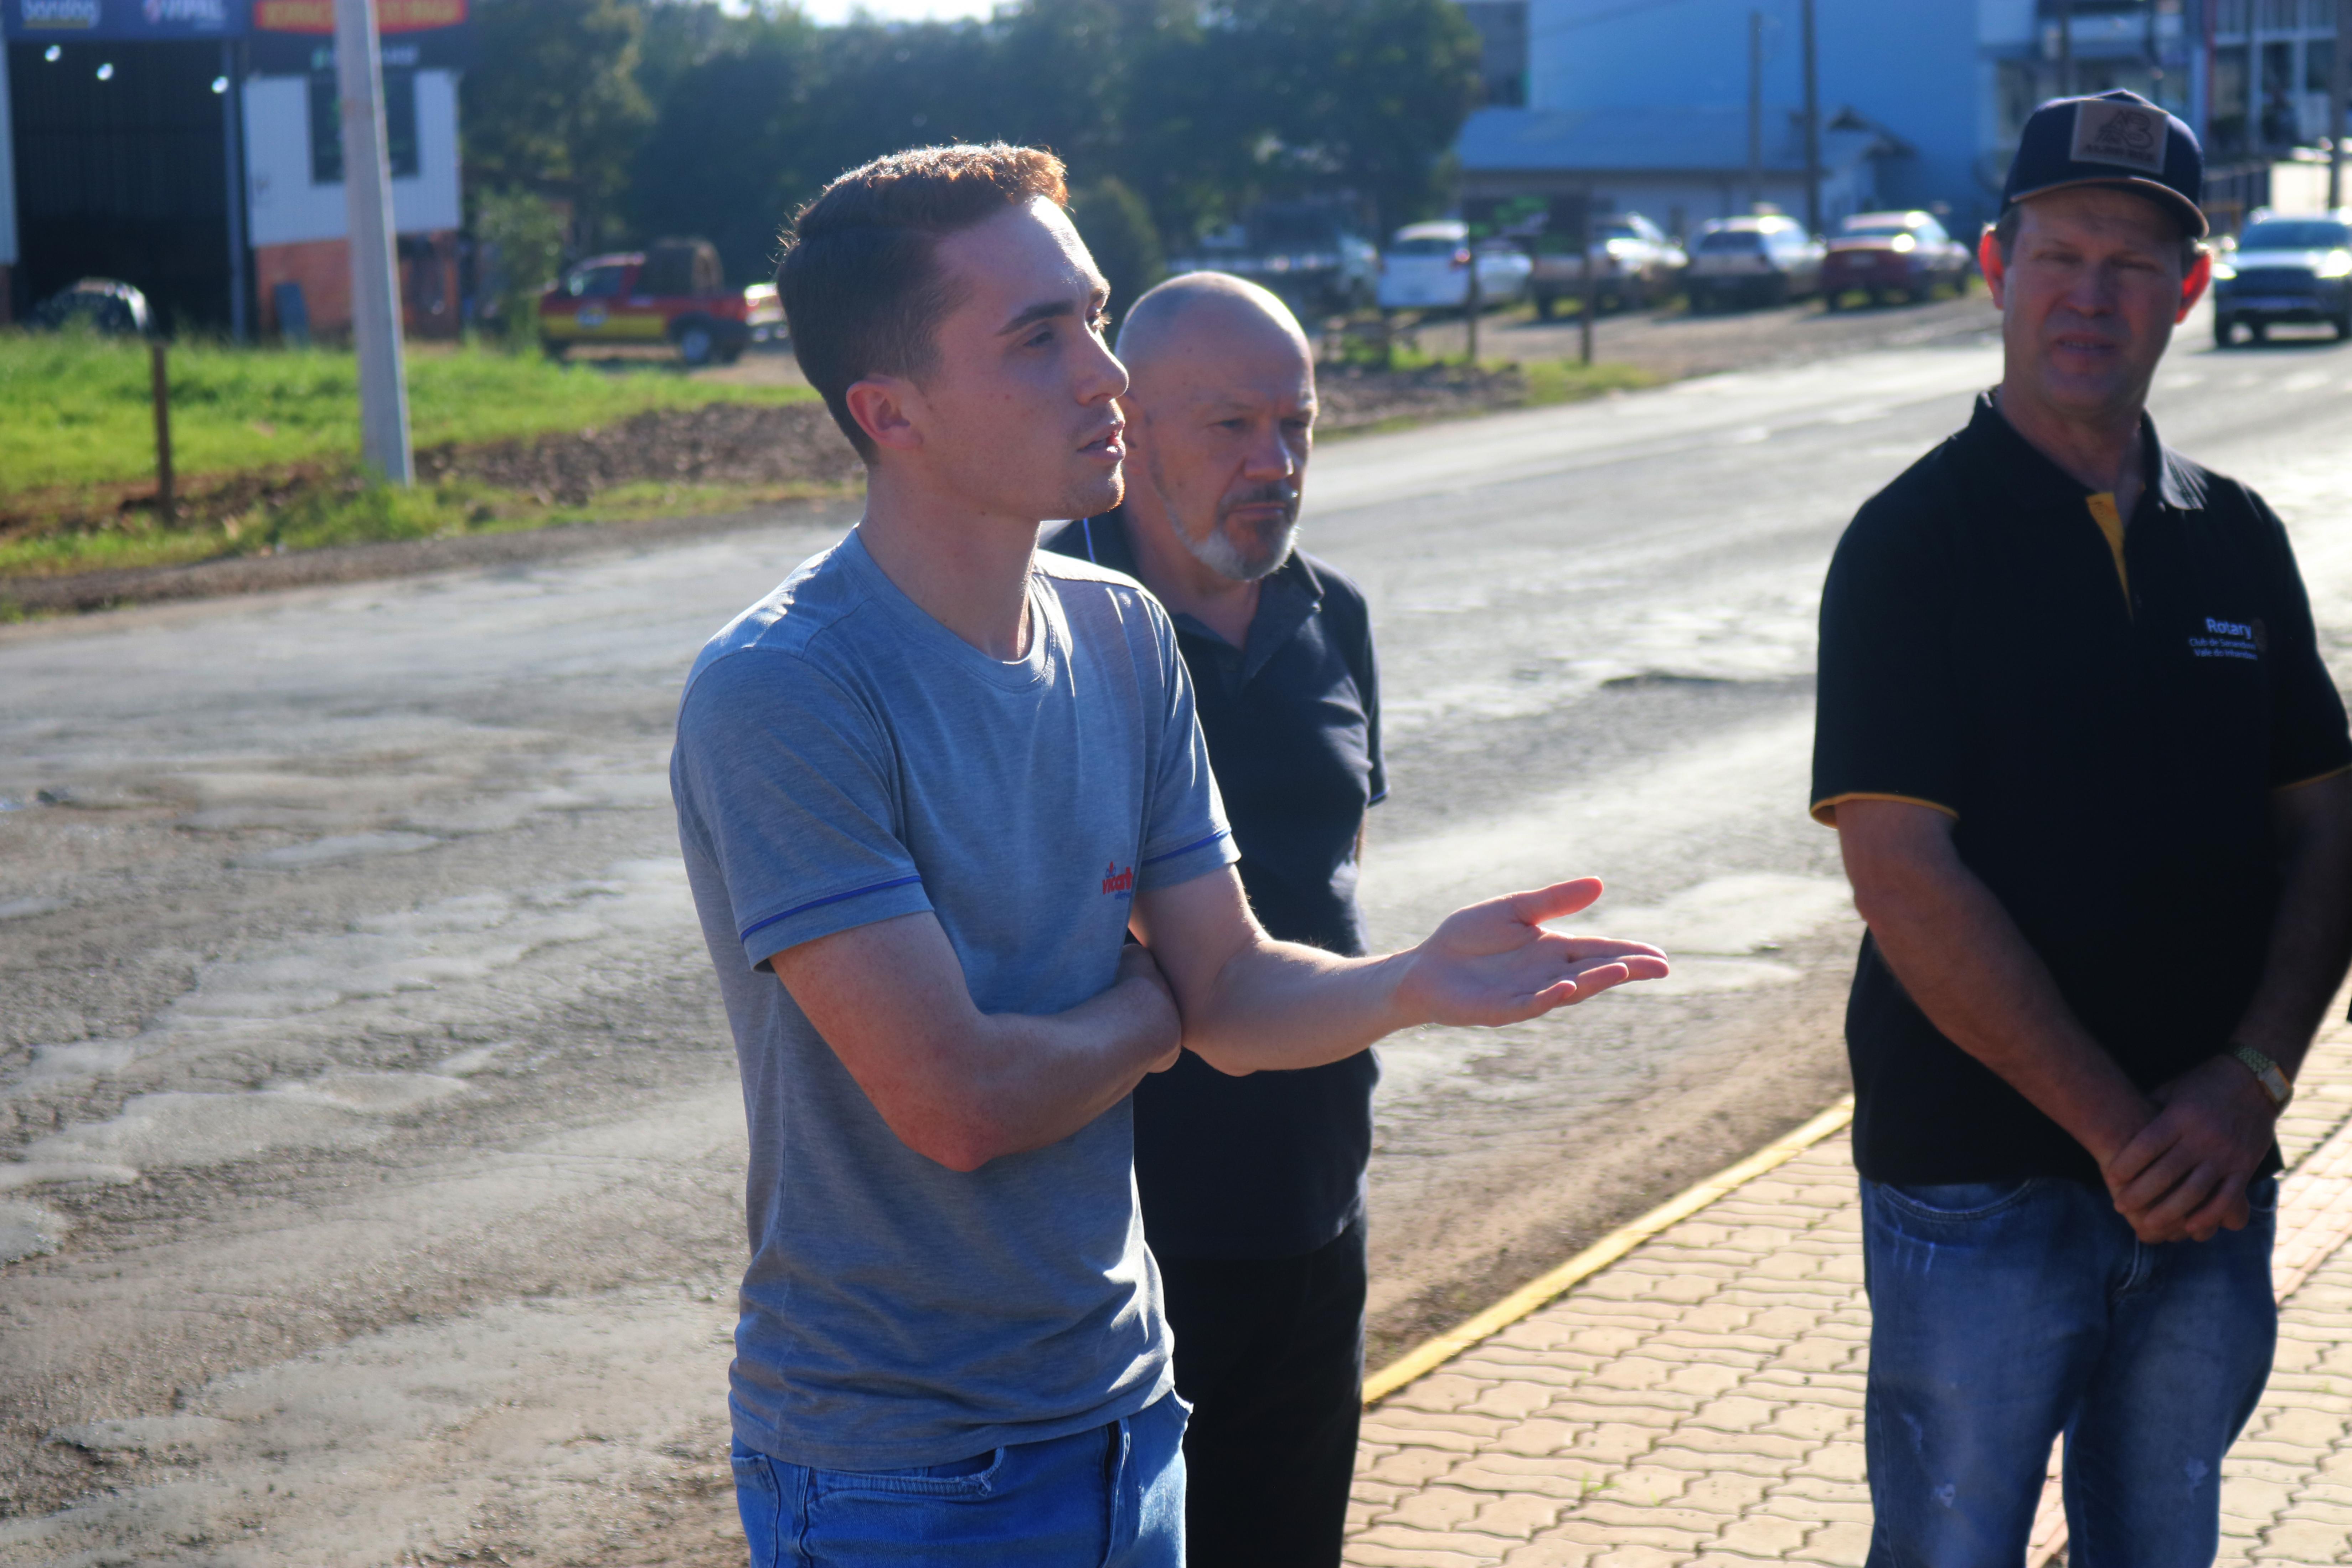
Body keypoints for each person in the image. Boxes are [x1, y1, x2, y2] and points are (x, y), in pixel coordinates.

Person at [668, 143, 1670, 1568]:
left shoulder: (1123, 634)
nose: (1106, 375)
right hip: (908, 1473)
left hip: (1129, 1414)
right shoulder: (788, 688)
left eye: (1095, 315)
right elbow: (960, 1103)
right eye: (1040, 337)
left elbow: (1234, 988)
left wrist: (1409, 983)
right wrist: (1153, 1014)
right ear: (890, 410)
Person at [1811, 91, 2352, 1566]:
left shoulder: (2237, 538)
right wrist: (2125, 1132)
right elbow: (1901, 872)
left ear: (2190, 288)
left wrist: (2251, 1081)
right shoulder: (1912, 545)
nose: (2090, 296)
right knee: (1951, 1546)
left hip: (2211, 1178)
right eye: (2059, 256)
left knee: (2164, 1542)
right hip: (1976, 1181)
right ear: (1998, 266)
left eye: (2131, 264)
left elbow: (2326, 830)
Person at [1044, 273, 1376, 1567]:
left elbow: (1333, 870)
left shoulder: (1331, 615)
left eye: (1297, 425)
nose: (1275, 463)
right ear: (1130, 425)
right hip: (1122, 1250)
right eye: (1232, 426)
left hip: (1314, 1211)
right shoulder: (1044, 631)